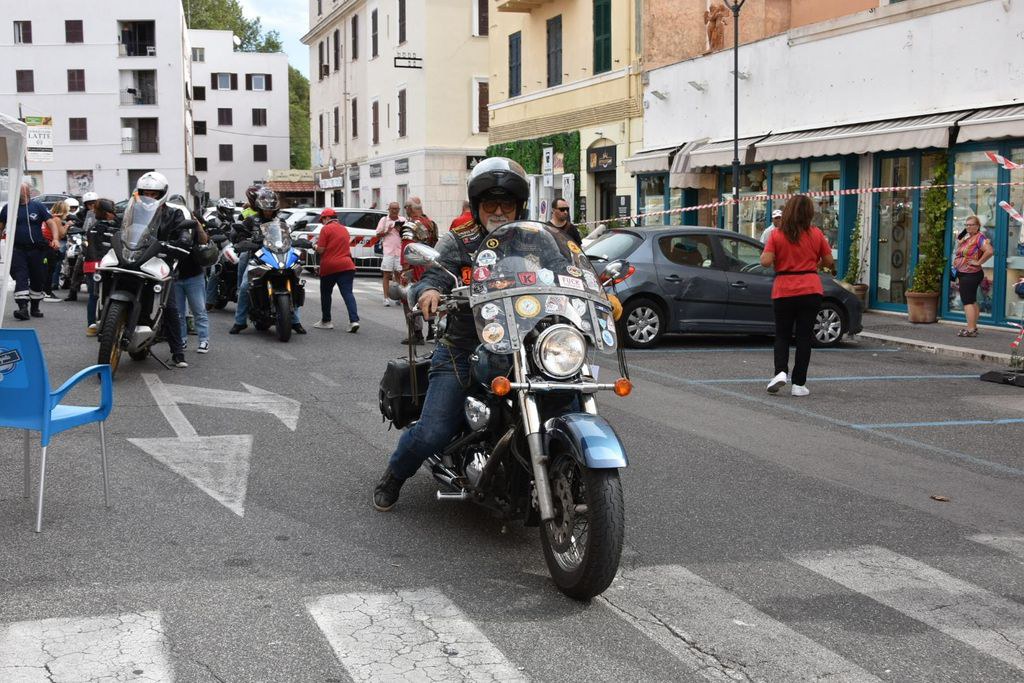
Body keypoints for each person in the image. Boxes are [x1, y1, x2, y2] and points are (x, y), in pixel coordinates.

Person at [373, 157, 530, 511]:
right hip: (463, 348)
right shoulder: (460, 241)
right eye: (491, 204)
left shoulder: (531, 240)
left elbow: (566, 267)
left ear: (519, 206)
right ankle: (395, 474)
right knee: (433, 431)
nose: (499, 211)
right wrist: (429, 291)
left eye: (507, 204)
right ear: (477, 205)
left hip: (525, 345)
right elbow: (431, 275)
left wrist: (599, 291)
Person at [759, 194, 834, 397]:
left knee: (782, 335)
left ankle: (780, 372)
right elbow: (829, 261)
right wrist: (814, 263)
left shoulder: (776, 235)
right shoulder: (816, 233)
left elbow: (765, 261)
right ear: (809, 213)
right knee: (804, 337)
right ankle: (799, 384)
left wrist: (776, 256)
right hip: (810, 288)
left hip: (784, 288)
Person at [134, 172, 194, 368]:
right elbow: (121, 227)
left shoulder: (174, 214)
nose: (149, 197)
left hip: (161, 262)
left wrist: (182, 241)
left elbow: (183, 233)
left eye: (153, 194)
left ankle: (178, 352)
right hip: (136, 259)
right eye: (146, 193)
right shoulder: (133, 211)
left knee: (170, 306)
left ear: (162, 194)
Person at [229, 187, 306, 335]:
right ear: (259, 207)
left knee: (294, 283)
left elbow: (287, 237)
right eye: (265, 209)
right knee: (245, 286)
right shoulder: (251, 220)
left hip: (279, 255)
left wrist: (295, 241)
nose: (268, 212)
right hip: (257, 257)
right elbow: (238, 234)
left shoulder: (281, 221)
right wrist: (242, 239)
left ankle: (295, 321)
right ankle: (240, 322)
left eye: (271, 210)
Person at [0, 183, 59, 321]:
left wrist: (56, 239)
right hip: (17, 250)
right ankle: (23, 308)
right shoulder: (9, 208)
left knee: (38, 278)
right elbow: (1, 226)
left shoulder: (37, 206)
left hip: (37, 250)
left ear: (27, 192)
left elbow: (51, 223)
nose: (17, 192)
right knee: (20, 276)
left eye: (20, 190)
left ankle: (35, 307)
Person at [312, 208, 360, 332]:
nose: (322, 223)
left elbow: (321, 250)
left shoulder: (326, 229)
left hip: (330, 266)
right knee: (348, 294)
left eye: (322, 220)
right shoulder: (344, 229)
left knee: (326, 293)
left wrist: (314, 246)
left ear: (327, 218)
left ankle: (326, 321)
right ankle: (354, 321)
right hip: (347, 265)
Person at [173, 212, 211, 354]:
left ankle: (204, 340)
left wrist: (197, 225)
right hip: (175, 276)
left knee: (199, 310)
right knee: (178, 313)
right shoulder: (170, 226)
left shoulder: (193, 227)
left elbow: (203, 241)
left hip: (194, 275)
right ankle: (181, 340)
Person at [952, 215, 994, 337]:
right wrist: (960, 242)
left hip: (970, 273)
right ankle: (973, 327)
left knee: (967, 301)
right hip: (964, 273)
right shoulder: (968, 238)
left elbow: (989, 251)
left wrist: (979, 262)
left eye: (971, 225)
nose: (968, 227)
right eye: (967, 225)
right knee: (971, 300)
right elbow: (960, 253)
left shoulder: (979, 237)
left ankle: (970, 330)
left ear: (978, 226)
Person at [83, 198, 117, 336]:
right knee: (109, 295)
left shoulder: (92, 227)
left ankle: (92, 325)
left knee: (94, 296)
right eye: (113, 210)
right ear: (108, 212)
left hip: (90, 265)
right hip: (105, 265)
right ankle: (108, 324)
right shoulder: (111, 228)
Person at [375, 201, 405, 307]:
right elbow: (377, 234)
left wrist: (400, 231)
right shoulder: (384, 220)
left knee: (399, 274)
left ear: (399, 210)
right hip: (388, 251)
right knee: (386, 274)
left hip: (399, 251)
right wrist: (387, 231)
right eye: (393, 209)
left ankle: (399, 297)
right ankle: (386, 298)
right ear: (389, 209)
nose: (395, 211)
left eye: (397, 209)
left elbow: (406, 235)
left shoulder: (403, 220)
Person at [44, 199, 72, 301]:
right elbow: (61, 234)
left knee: (47, 269)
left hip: (45, 245)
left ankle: (45, 291)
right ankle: (47, 292)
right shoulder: (57, 219)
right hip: (51, 245)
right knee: (50, 269)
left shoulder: (50, 217)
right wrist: (67, 225)